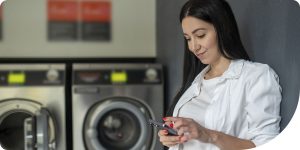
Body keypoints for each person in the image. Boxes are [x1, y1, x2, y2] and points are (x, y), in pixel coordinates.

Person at [158, 0, 282, 149]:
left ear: (222, 28)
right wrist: (172, 137)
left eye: (201, 35)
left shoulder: (256, 76)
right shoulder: (196, 82)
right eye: (188, 39)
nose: (193, 47)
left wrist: (208, 135)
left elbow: (268, 145)